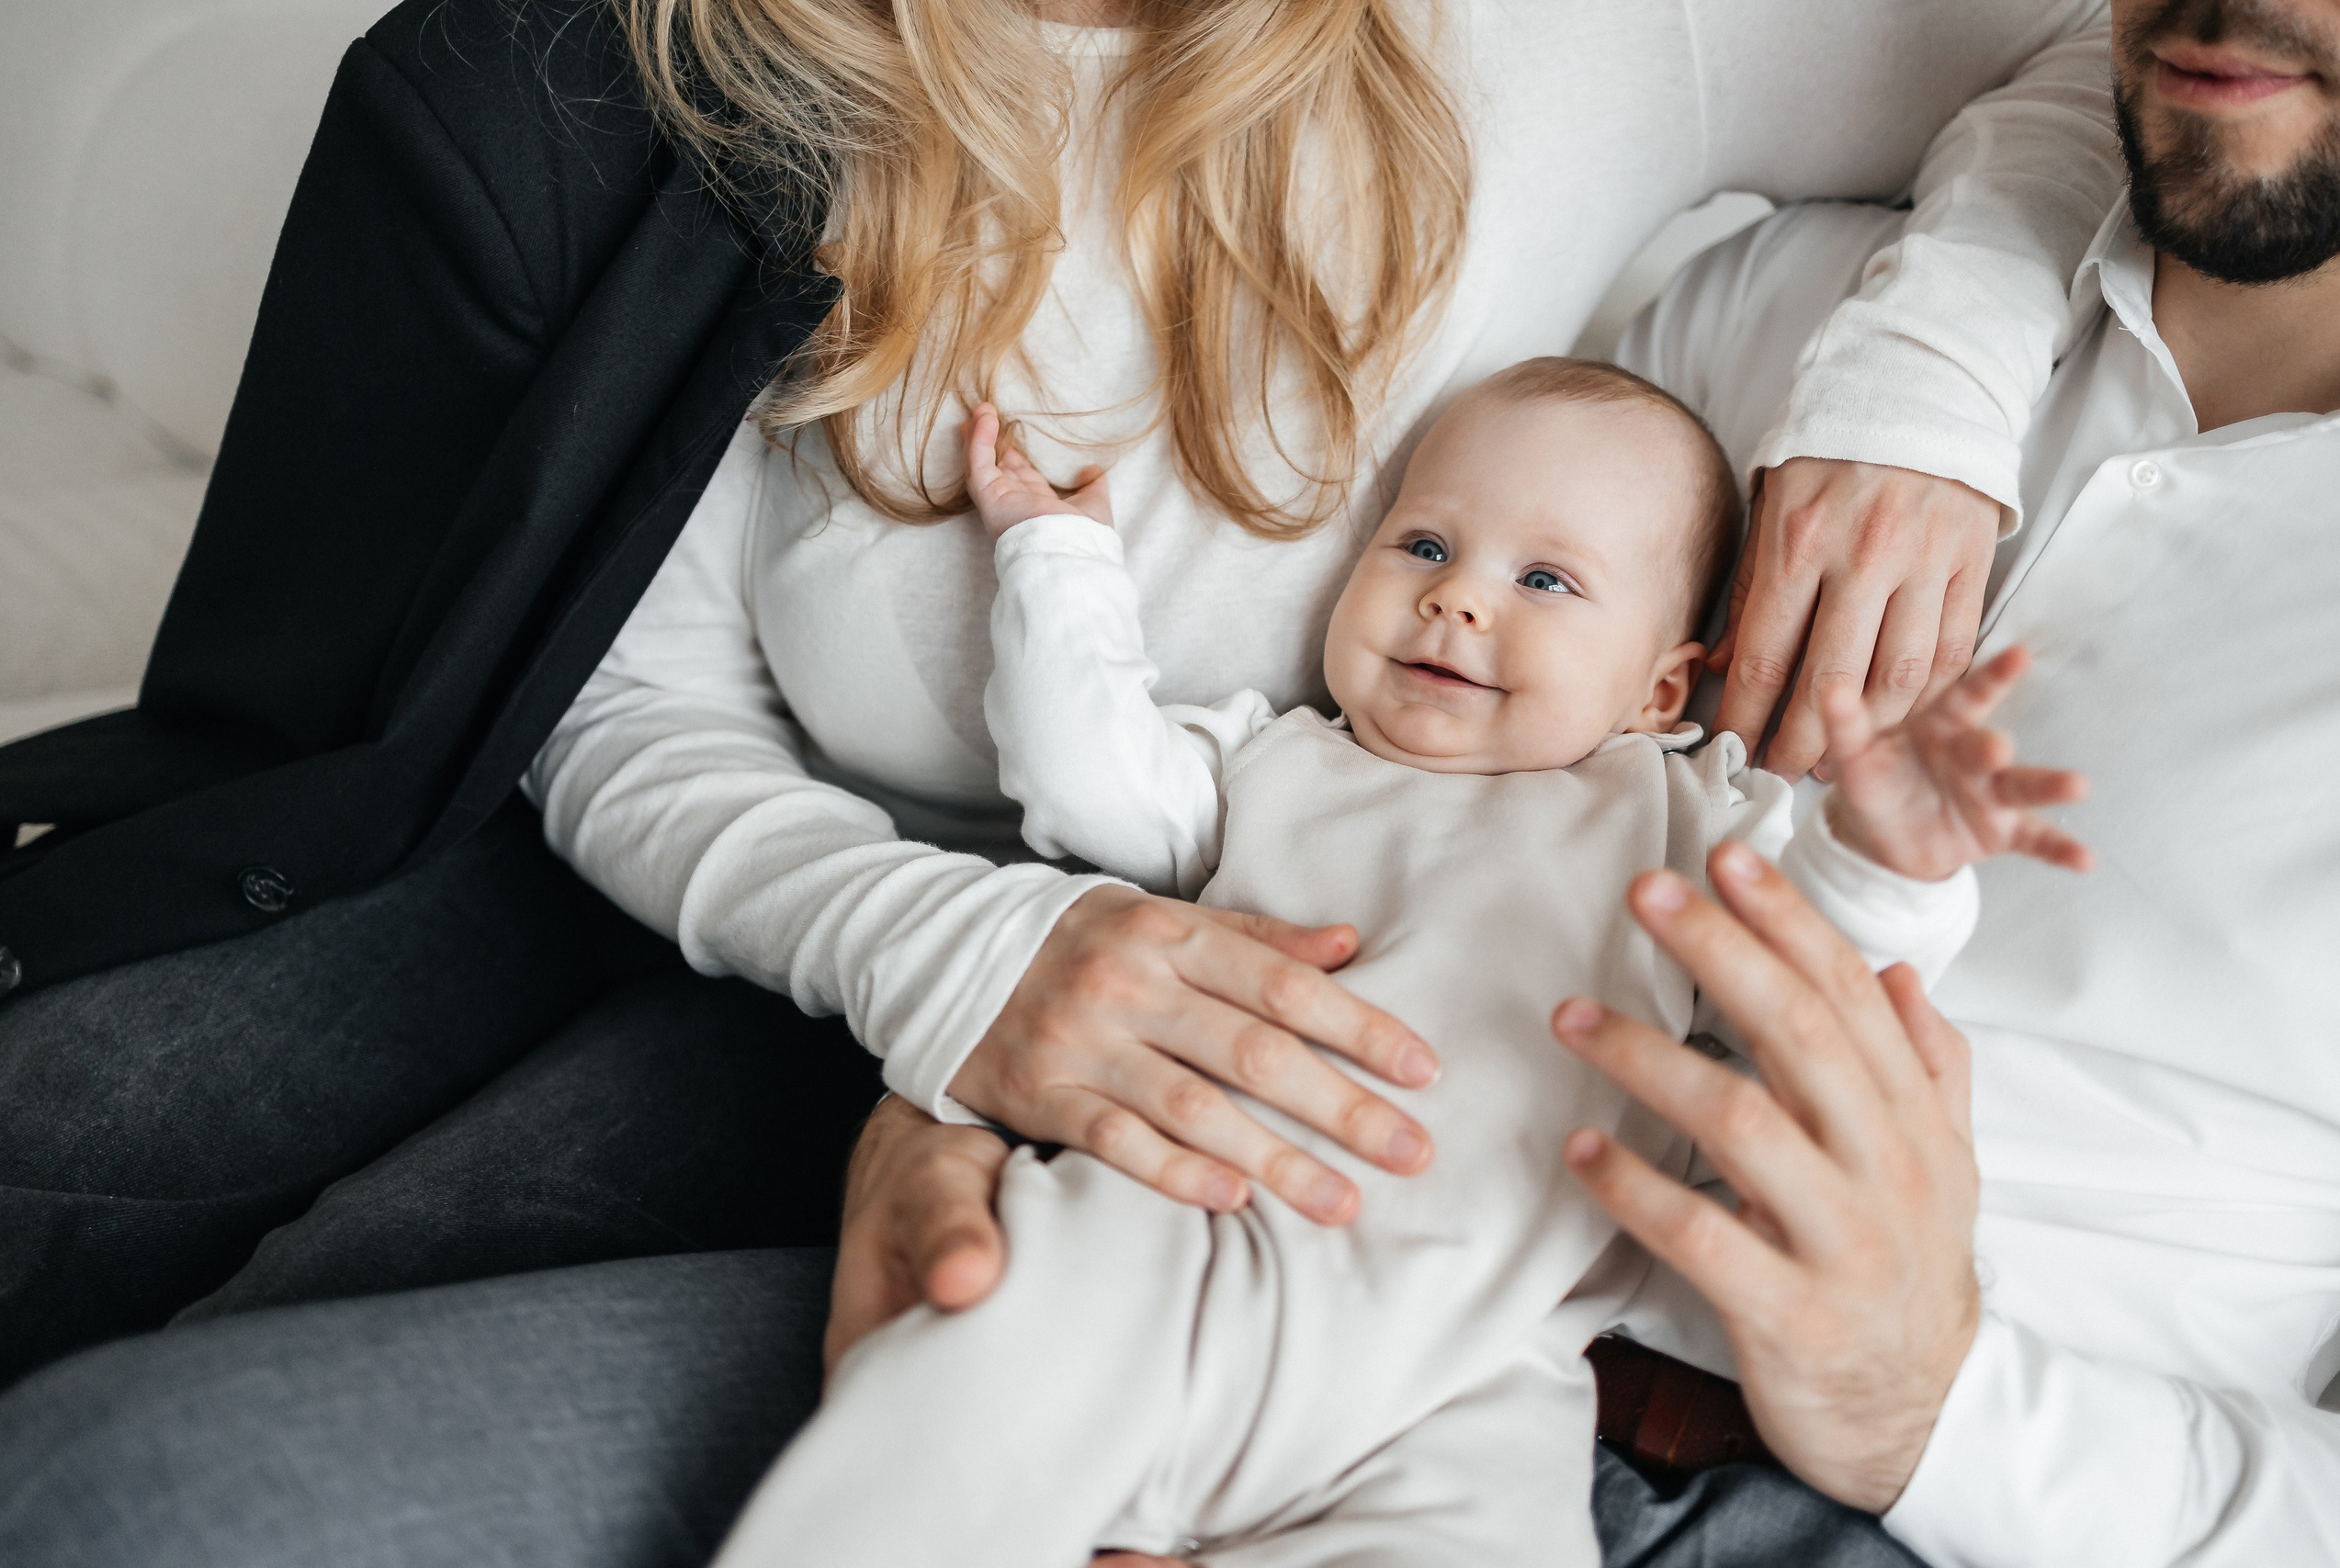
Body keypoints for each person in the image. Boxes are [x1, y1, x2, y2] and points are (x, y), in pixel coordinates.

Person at [0, 0, 2120, 1393]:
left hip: (1186, 949)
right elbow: (626, 705)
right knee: (59, 1132)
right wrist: (955, 937)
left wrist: (1919, 384)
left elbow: (2071, 52)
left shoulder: (1588, 35)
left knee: (286, 1350)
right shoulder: (722, 62)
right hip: (709, 869)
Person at [718, 365, 2077, 1567]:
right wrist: (1058, 560)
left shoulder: (1685, 813)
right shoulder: (1274, 759)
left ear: (1663, 690)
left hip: (1474, 1375)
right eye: (1424, 542)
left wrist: (1892, 857)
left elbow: (1813, 996)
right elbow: (1086, 784)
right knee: (940, 1432)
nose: (1457, 600)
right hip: (1168, 1250)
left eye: (1546, 580)